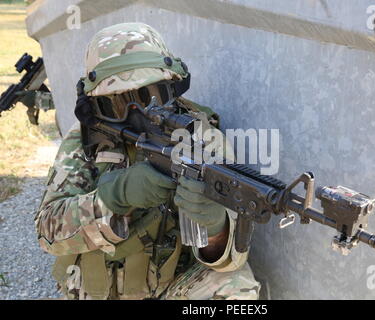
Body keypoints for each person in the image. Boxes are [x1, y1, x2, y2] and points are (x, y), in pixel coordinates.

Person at [34, 22, 260, 300]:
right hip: (96, 293)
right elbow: (47, 233)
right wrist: (114, 197)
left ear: (172, 87)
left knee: (237, 288)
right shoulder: (87, 139)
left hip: (170, 290)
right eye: (117, 102)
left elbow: (232, 262)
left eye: (149, 95)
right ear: (96, 104)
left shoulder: (202, 139)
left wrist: (216, 230)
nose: (138, 113)